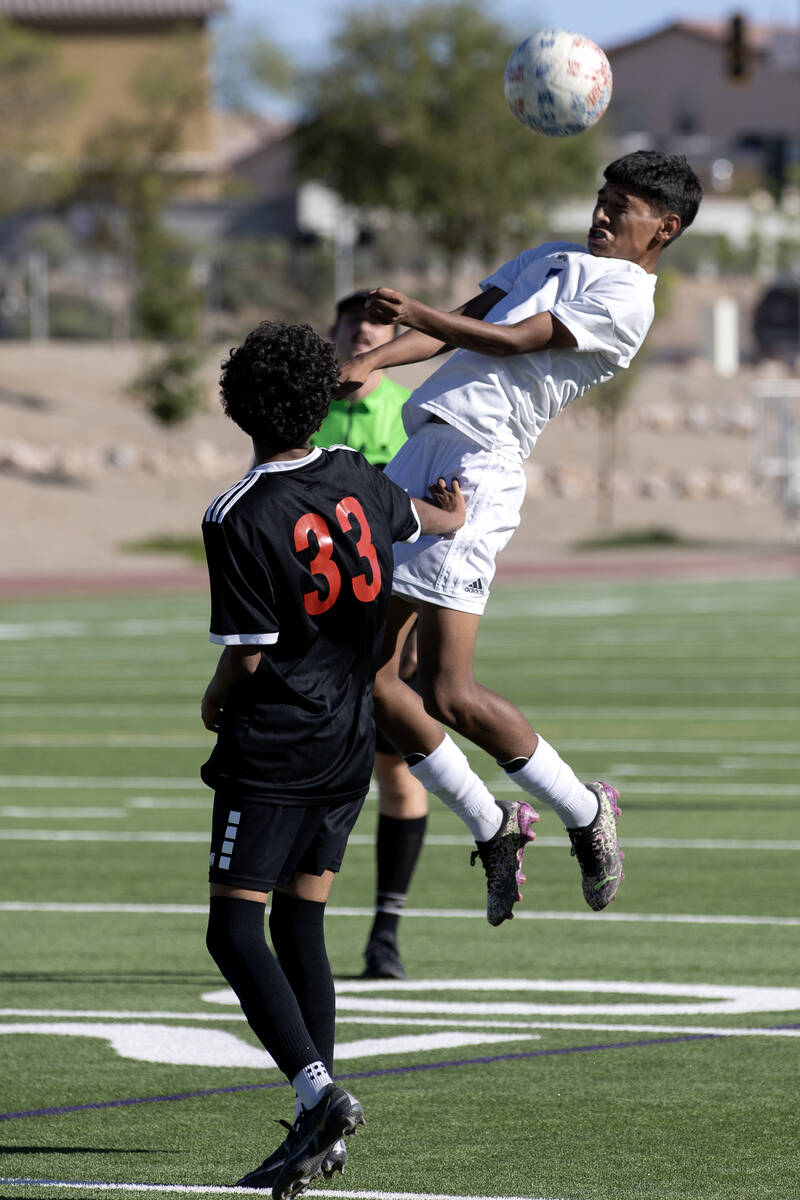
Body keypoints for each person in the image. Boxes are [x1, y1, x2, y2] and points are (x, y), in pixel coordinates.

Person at [338, 150, 703, 924]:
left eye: (624, 206)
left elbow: (512, 340)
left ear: (664, 228)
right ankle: (492, 822)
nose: (602, 213)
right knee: (367, 678)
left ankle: (583, 808)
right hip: (419, 452)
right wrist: (365, 361)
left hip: (477, 472)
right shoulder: (552, 257)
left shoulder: (628, 299)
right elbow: (454, 334)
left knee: (447, 690)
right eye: (602, 198)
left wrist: (418, 316)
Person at [199, 319, 466, 1196]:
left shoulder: (238, 511)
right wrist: (451, 511)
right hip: (349, 738)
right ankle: (325, 1125)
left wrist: (211, 704)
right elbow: (421, 518)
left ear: (237, 408)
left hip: (274, 742)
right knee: (301, 921)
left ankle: (318, 1098)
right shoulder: (353, 472)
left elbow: (247, 651)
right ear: (322, 400)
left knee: (234, 926)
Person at [314, 290, 428, 981]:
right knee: (318, 777)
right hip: (316, 628)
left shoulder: (410, 414)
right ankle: (302, 927)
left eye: (381, 321)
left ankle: (385, 934)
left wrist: (412, 629)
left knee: (397, 774)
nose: (365, 330)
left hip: (390, 623)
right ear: (333, 332)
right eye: (354, 320)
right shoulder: (305, 412)